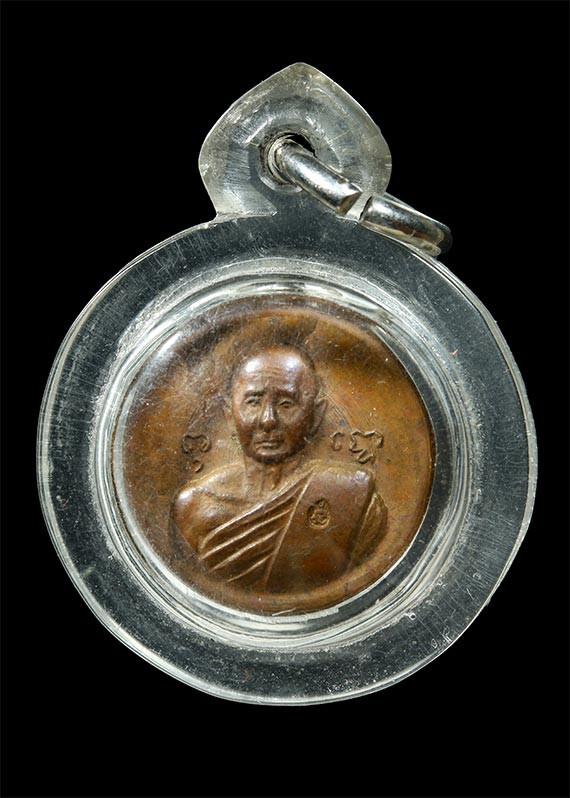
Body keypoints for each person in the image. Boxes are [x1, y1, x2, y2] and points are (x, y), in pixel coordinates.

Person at [171, 345, 387, 594]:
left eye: (286, 404)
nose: (268, 420)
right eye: (253, 402)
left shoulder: (353, 499)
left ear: (316, 414)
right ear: (229, 413)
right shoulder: (193, 507)